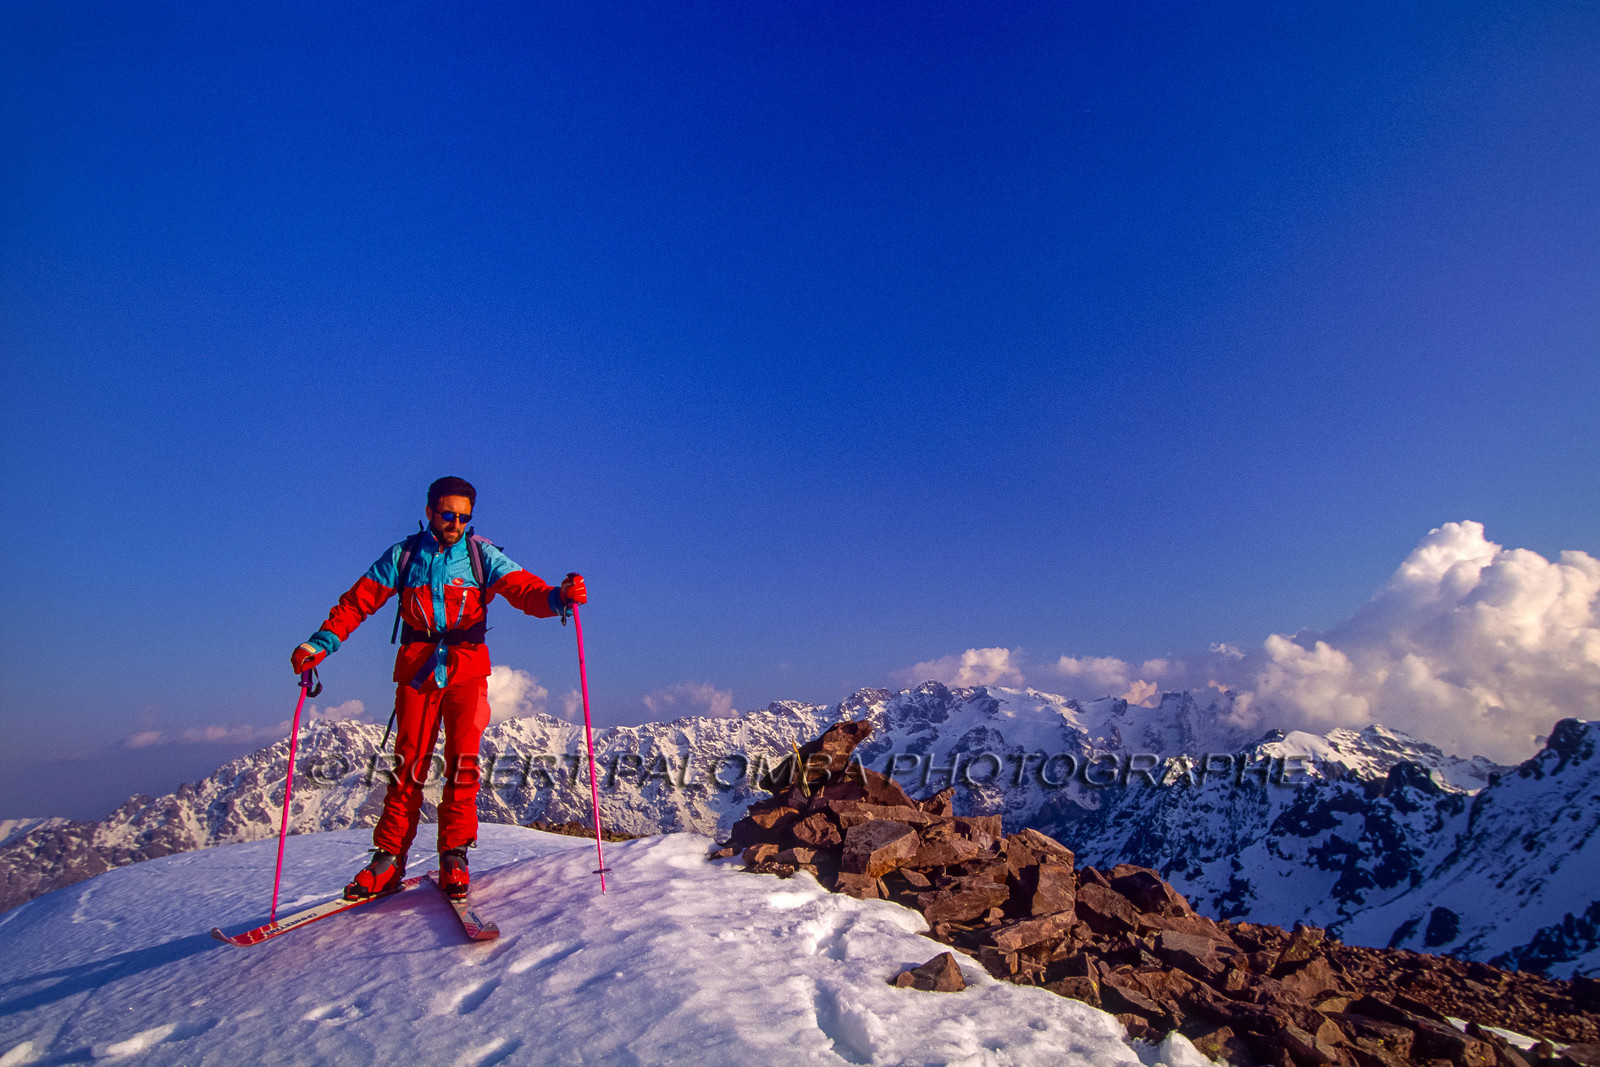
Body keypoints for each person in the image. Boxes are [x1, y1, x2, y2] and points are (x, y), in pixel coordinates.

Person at [291, 476, 585, 902]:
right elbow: (357, 602)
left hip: (467, 671)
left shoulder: (481, 555)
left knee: (463, 764)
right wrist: (319, 643)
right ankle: (388, 858)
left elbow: (524, 590)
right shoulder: (404, 556)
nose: (456, 524)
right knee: (408, 763)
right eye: (449, 515)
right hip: (418, 671)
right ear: (430, 512)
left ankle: (454, 855)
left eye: (464, 517)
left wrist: (559, 597)